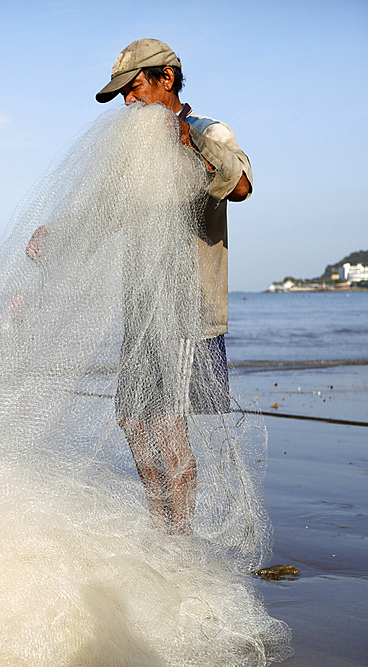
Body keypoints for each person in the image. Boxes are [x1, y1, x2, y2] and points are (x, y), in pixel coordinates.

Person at [94, 38, 254, 535]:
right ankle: (159, 519)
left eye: (134, 88)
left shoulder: (206, 130)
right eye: (121, 93)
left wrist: (185, 139)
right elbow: (110, 211)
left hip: (186, 304)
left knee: (168, 423)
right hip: (141, 304)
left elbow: (242, 184)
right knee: (132, 420)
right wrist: (59, 234)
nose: (128, 102)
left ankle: (178, 540)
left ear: (166, 78)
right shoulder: (136, 149)